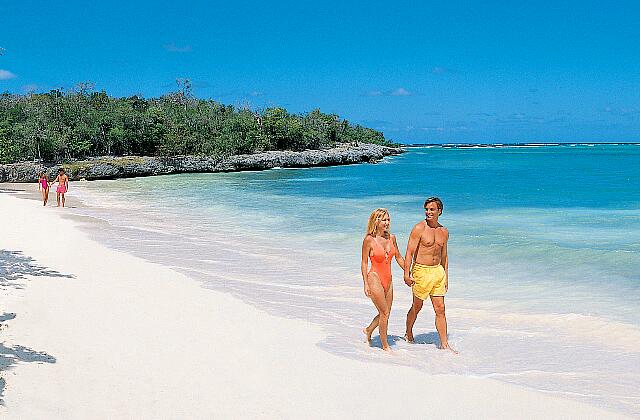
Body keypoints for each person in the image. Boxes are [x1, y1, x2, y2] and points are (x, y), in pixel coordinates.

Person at [403, 197, 456, 353]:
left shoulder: (444, 232)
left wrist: (446, 276)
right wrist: (407, 273)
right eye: (426, 209)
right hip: (421, 270)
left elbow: (444, 256)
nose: (428, 212)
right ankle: (409, 332)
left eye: (432, 209)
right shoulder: (419, 228)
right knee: (417, 306)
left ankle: (444, 344)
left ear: (439, 211)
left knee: (440, 309)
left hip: (437, 271)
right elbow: (409, 252)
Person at [361, 208, 405, 351]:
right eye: (384, 220)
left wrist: (409, 271)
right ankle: (385, 346)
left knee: (385, 313)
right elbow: (364, 263)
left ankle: (368, 330)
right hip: (374, 278)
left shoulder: (392, 238)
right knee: (384, 313)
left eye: (388, 219)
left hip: (389, 279)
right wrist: (365, 283)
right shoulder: (369, 240)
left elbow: (398, 257)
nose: (387, 222)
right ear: (376, 221)